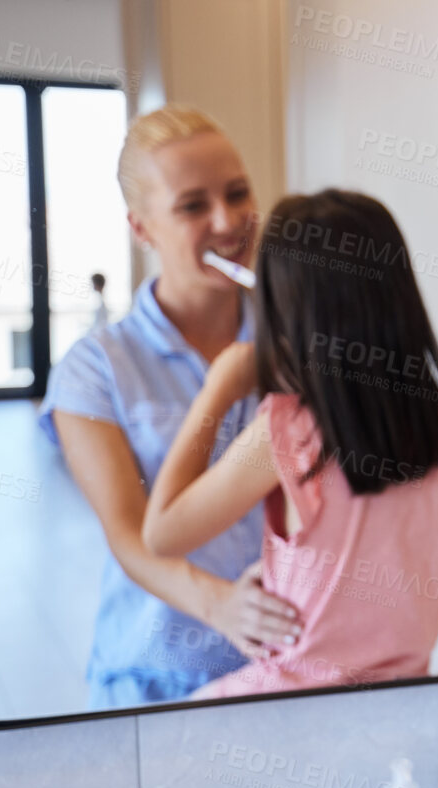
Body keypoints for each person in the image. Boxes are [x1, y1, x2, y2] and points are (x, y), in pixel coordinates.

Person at [140, 189, 438, 696]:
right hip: (402, 707)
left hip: (288, 708)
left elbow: (161, 534)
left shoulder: (287, 430)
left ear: (289, 312)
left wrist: (217, 390)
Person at [40, 105, 300, 708]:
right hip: (153, 676)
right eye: (192, 206)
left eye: (238, 194)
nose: (227, 220)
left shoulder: (294, 345)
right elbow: (130, 537)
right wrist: (222, 606)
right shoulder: (94, 370)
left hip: (285, 666)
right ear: (142, 228)